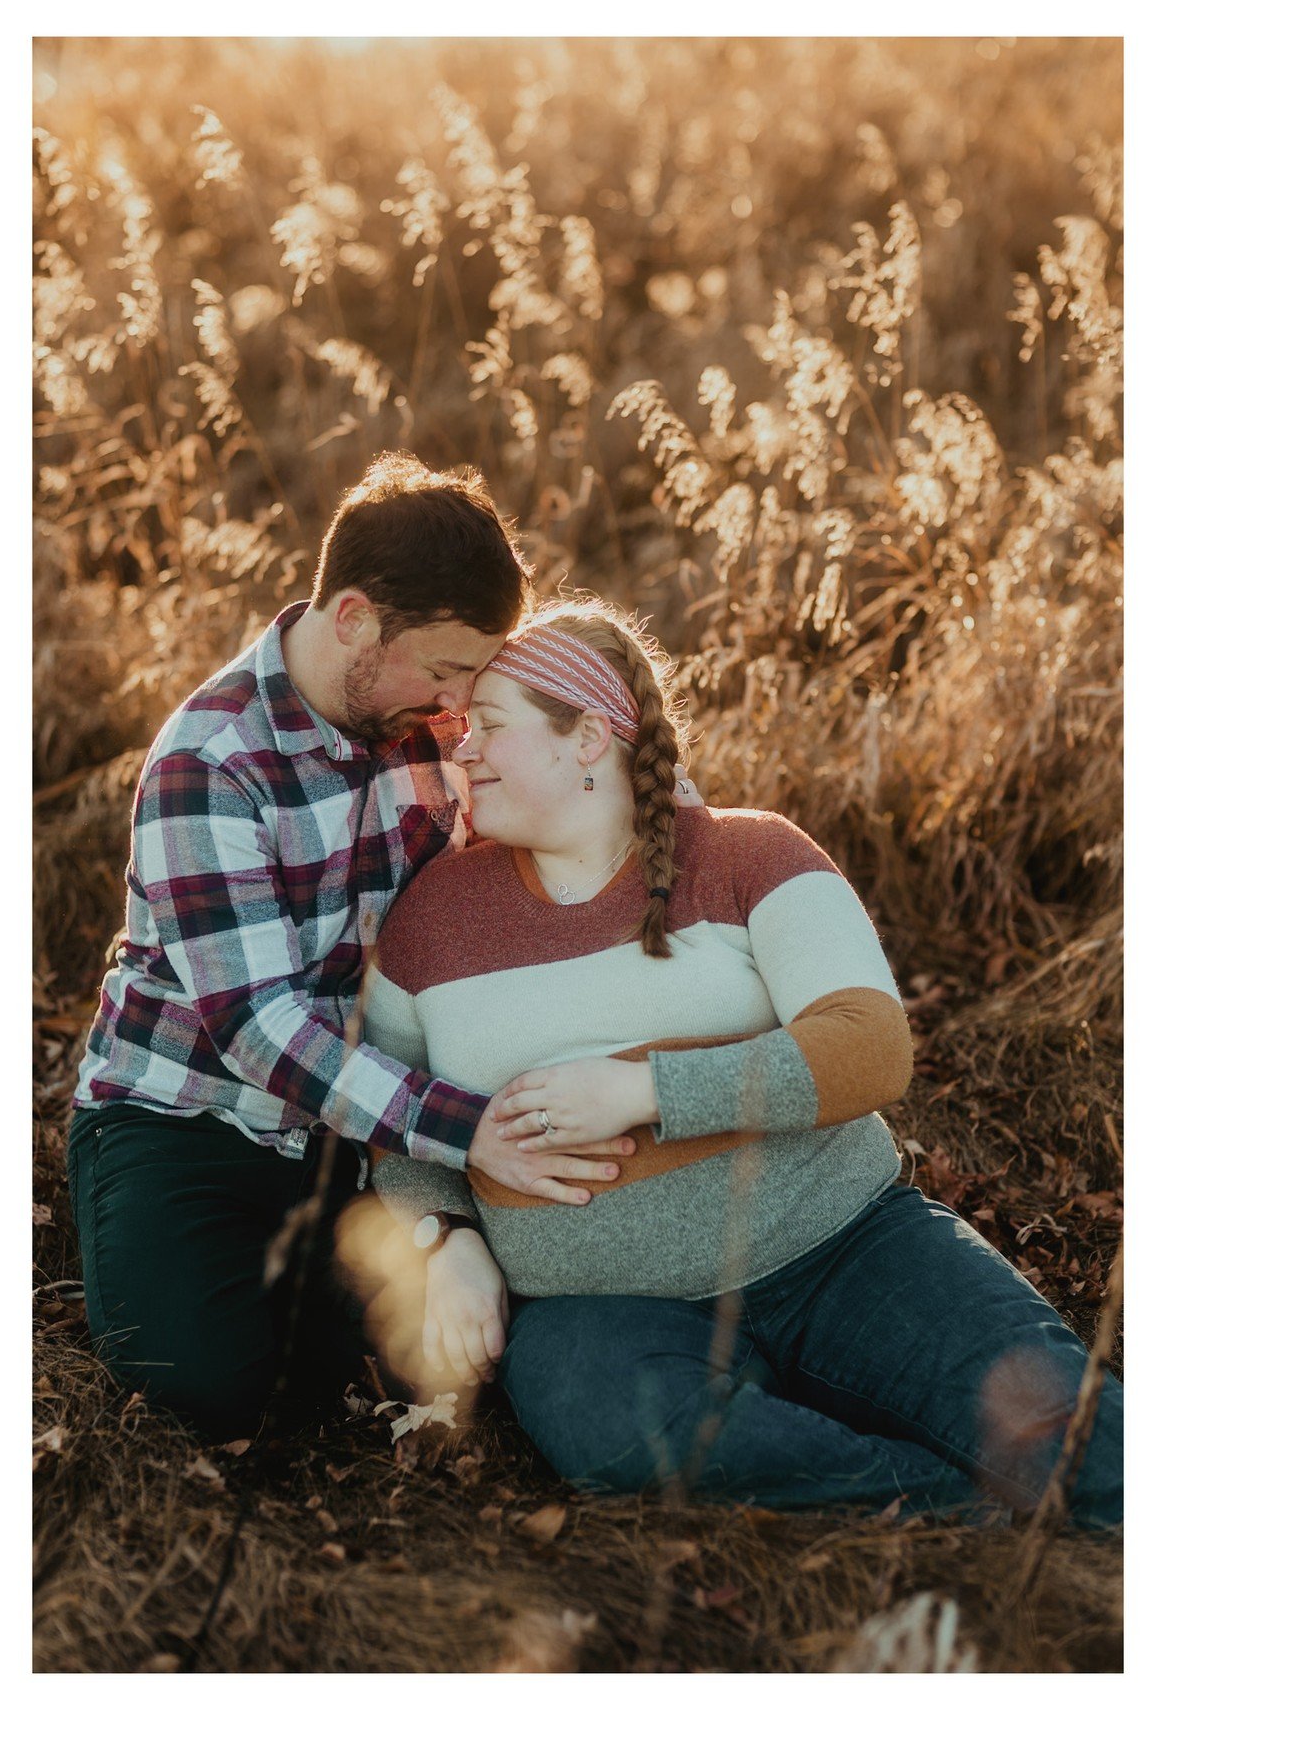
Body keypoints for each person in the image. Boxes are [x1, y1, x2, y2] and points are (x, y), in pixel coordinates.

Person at [361, 597, 1123, 1523]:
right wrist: (446, 1239)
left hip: (843, 1251)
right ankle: (961, 1513)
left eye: (487, 726)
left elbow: (870, 1044)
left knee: (1088, 1452)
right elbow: (393, 1112)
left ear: (590, 737)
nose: (463, 752)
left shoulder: (750, 856)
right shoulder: (431, 920)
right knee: (623, 1439)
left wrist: (642, 1091)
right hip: (599, 1311)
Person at [66, 454, 639, 1441]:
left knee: (506, 1317)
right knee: (204, 1382)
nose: (461, 698)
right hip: (190, 1116)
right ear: (355, 621)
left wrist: (672, 820)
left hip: (355, 1124)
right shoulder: (209, 763)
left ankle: (396, 1280)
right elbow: (258, 1031)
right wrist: (469, 1129)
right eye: (447, 667)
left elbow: (569, 787)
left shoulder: (425, 724)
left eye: (474, 674)